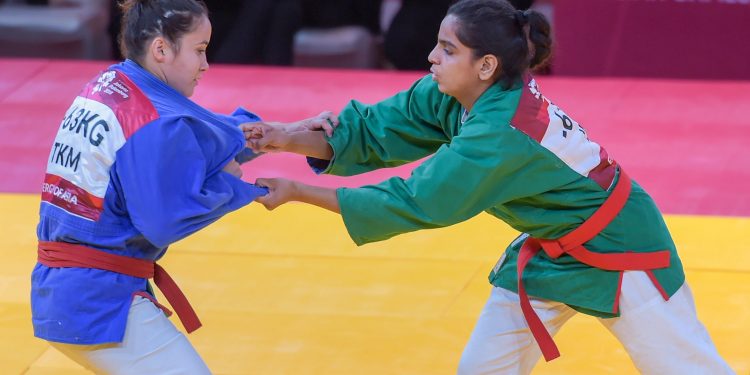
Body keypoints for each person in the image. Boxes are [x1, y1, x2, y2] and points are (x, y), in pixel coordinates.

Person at [243, 0, 733, 373]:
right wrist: (285, 136)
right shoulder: (452, 93)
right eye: (438, 43)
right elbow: (371, 131)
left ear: (486, 66)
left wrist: (299, 192)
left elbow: (415, 202)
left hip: (622, 250)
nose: (431, 56)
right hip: (549, 250)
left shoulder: (500, 134)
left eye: (448, 49)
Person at [30, 0, 332, 373]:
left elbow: (202, 135)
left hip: (66, 291)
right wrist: (233, 186)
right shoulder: (155, 122)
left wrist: (290, 131)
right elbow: (164, 219)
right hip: (99, 302)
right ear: (161, 49)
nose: (206, 65)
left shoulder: (114, 84)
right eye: (200, 50)